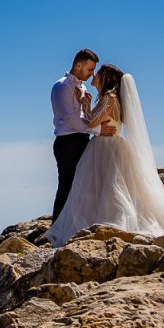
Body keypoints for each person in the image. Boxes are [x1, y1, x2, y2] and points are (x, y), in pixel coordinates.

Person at [45, 63, 164, 247]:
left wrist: (84, 102)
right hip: (112, 145)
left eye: (97, 73)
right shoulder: (110, 98)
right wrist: (87, 103)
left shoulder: (108, 98)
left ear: (106, 78)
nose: (93, 76)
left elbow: (91, 123)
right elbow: (96, 120)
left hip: (106, 147)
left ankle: (113, 223)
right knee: (109, 187)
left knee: (109, 188)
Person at [51, 49, 117, 222]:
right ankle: (57, 229)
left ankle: (76, 224)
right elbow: (70, 120)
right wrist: (98, 131)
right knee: (67, 185)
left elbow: (87, 118)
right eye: (89, 69)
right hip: (68, 143)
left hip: (82, 140)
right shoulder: (62, 86)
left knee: (82, 186)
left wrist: (86, 105)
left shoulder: (83, 87)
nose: (92, 74)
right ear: (78, 65)